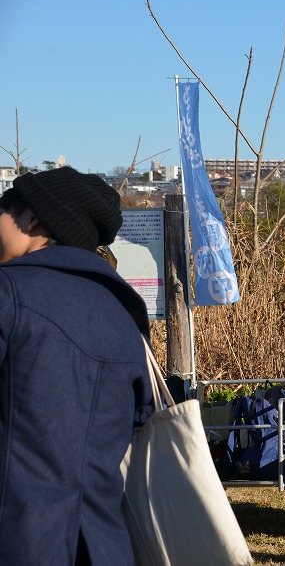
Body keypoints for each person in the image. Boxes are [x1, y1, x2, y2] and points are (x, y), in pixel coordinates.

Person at [0, 166, 154, 565]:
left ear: (30, 218)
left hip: (16, 537)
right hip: (103, 542)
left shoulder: (9, 293)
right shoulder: (125, 315)